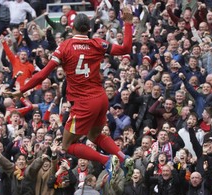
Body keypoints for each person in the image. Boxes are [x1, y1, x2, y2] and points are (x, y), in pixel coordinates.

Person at [7, 7, 133, 179]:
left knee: (67, 145)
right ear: (89, 29)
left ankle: (106, 160)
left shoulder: (65, 47)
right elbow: (126, 48)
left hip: (83, 103)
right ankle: (123, 158)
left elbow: (43, 74)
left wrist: (21, 90)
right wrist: (127, 22)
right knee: (94, 135)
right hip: (101, 99)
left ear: (72, 28)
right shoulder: (98, 43)